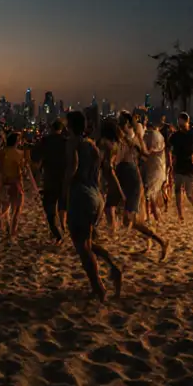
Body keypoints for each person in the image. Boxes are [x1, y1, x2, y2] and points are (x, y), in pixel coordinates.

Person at [64, 111, 123, 300]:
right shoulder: (93, 146)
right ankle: (112, 267)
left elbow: (72, 167)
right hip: (96, 196)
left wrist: (64, 190)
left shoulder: (74, 143)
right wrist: (118, 193)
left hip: (80, 196)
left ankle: (98, 287)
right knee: (88, 242)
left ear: (70, 126)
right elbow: (105, 171)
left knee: (83, 247)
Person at [107, 115, 170, 260]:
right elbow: (144, 155)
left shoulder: (130, 139)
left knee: (132, 220)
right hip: (129, 178)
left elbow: (144, 155)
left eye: (121, 122)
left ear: (127, 124)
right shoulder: (127, 139)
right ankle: (153, 242)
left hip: (132, 180)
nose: (119, 124)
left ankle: (161, 242)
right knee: (131, 220)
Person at [35, 120, 70, 244]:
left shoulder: (45, 140)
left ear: (51, 128)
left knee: (49, 207)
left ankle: (57, 233)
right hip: (64, 178)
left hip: (50, 178)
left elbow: (36, 156)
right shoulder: (66, 142)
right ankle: (63, 227)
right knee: (63, 205)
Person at [168, 113, 193, 223]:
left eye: (182, 122)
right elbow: (170, 149)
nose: (180, 124)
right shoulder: (175, 136)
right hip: (178, 165)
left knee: (189, 193)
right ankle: (181, 216)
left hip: (190, 165)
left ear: (187, 121)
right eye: (179, 122)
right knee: (178, 191)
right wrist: (170, 163)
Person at [0, 132, 28, 239]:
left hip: (5, 182)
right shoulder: (20, 153)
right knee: (16, 209)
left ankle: (5, 223)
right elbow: (23, 170)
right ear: (17, 141)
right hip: (16, 183)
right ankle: (12, 232)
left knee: (6, 206)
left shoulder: (2, 152)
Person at [141, 118, 168, 225]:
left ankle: (154, 218)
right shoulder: (160, 136)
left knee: (150, 196)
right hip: (160, 168)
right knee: (152, 195)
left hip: (153, 169)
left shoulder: (150, 135)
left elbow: (148, 152)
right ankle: (155, 218)